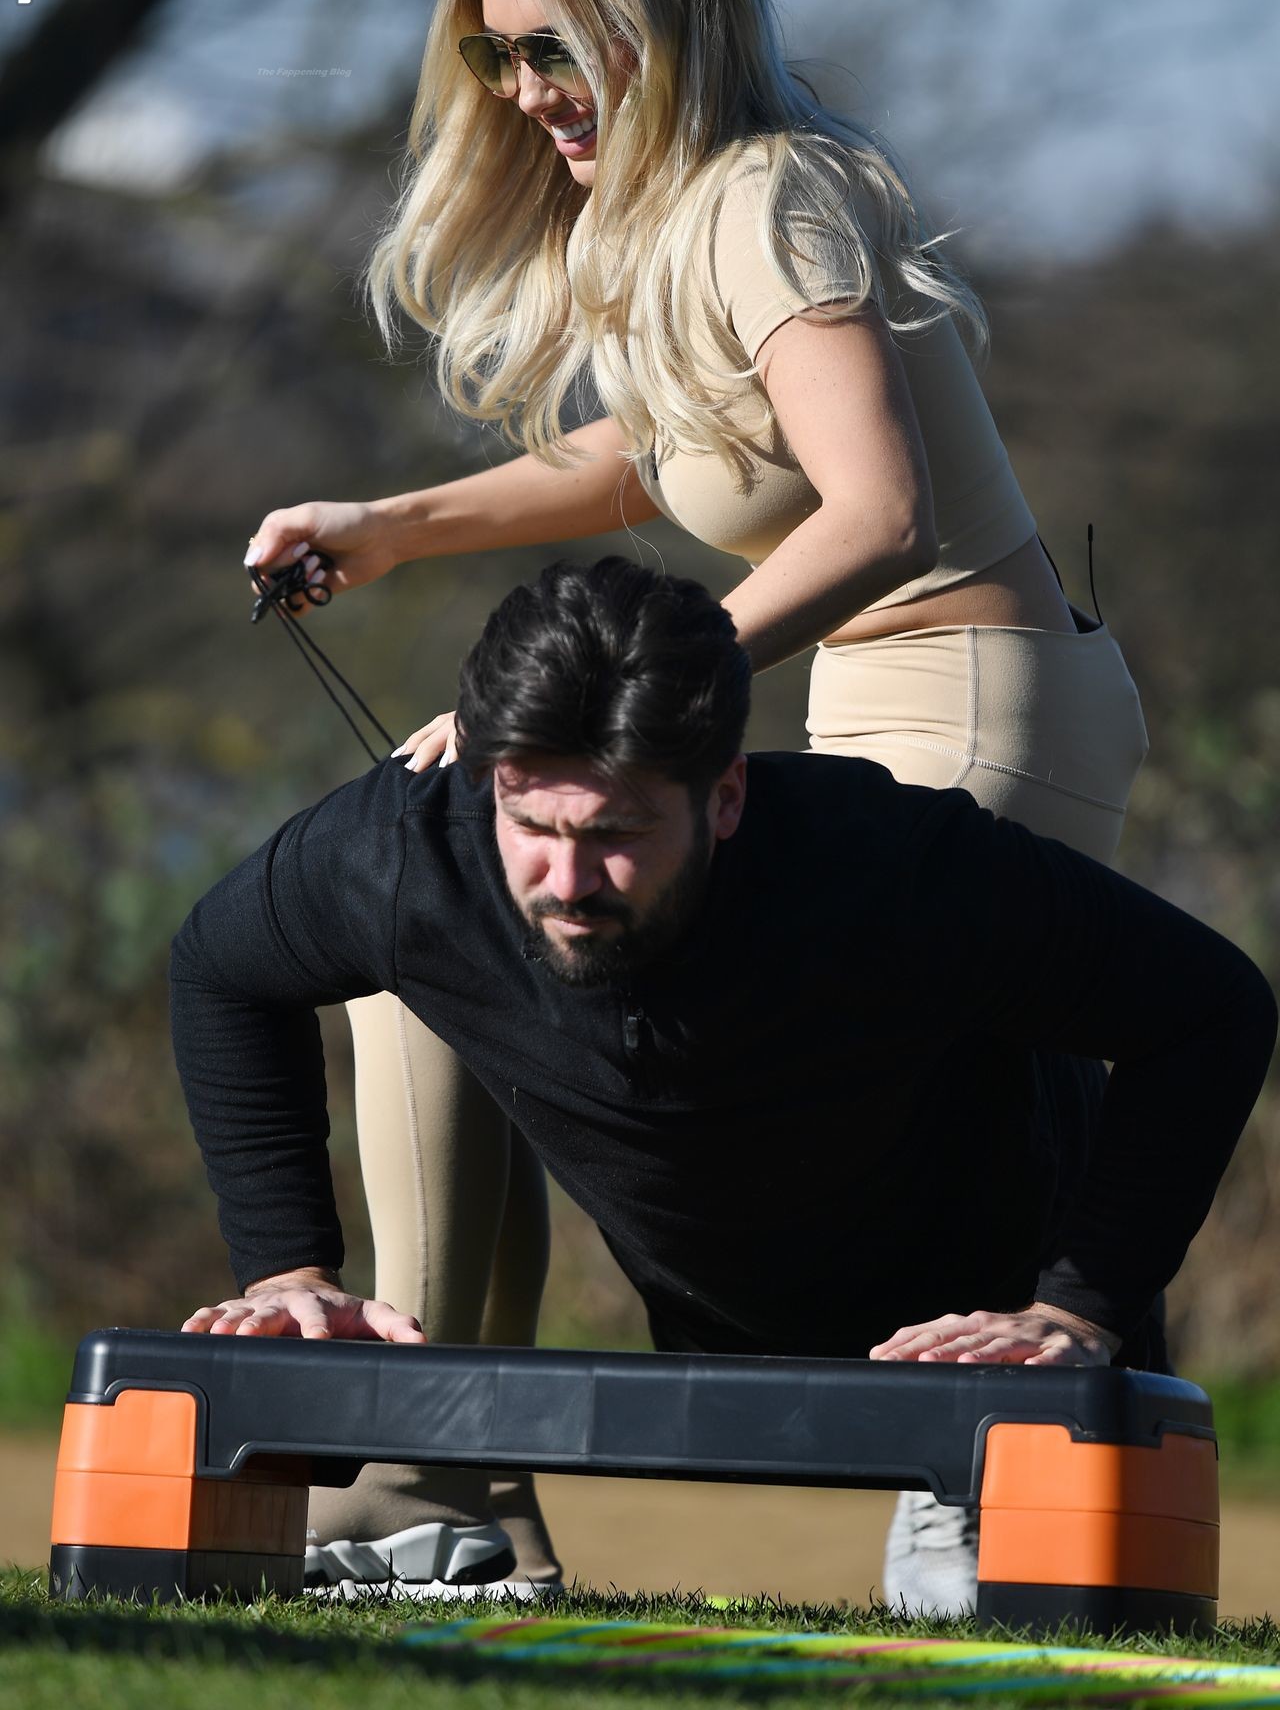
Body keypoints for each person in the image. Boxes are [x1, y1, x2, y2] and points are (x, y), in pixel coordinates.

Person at [241, 0, 1149, 1601]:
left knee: (900, 1079)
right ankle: (430, 1475)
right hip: (867, 687)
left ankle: (979, 1473)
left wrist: (607, 728)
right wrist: (394, 525)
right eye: (496, 54)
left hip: (980, 695)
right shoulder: (670, 213)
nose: (524, 92)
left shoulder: (769, 193)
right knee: (438, 927)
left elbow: (876, 511)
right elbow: (664, 453)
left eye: (556, 47)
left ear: (664, 16)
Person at [175, 561, 1275, 1609]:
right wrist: (287, 1269)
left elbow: (1212, 1009)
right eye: (532, 826)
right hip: (722, 1308)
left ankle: (964, 1495)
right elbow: (219, 969)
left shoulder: (890, 865)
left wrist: (1075, 1310)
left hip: (990, 1318)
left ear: (727, 795)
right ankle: (435, 1504)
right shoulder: (407, 850)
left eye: (617, 832)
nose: (566, 881)